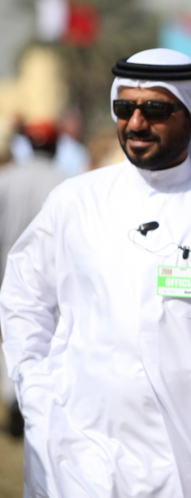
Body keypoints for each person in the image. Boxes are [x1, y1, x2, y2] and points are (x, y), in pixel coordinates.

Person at [0, 48, 191, 498]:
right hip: (83, 454)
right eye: (125, 108)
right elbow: (23, 300)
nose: (136, 123)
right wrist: (36, 394)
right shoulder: (76, 202)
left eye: (155, 109)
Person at [0, 118, 67, 438]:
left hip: (6, 271)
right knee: (47, 338)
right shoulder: (67, 182)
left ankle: (16, 399)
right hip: (52, 276)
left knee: (9, 336)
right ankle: (31, 403)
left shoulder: (7, 179)